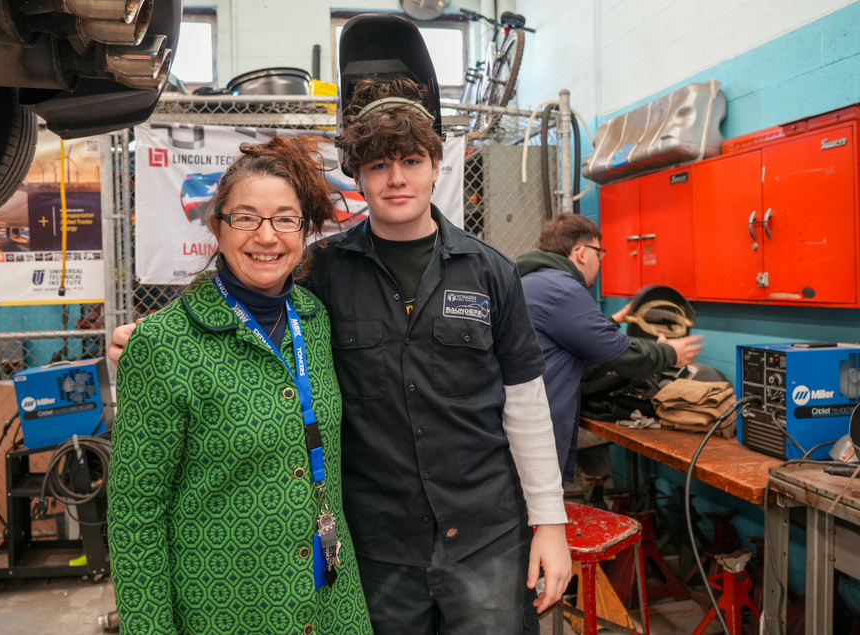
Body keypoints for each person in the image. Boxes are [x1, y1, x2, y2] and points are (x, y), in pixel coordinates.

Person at [111, 78, 571, 634]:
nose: (396, 178)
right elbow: (249, 294)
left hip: (486, 536)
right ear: (356, 176)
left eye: (411, 160)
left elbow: (525, 404)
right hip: (376, 547)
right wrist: (156, 337)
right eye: (377, 165)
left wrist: (550, 522)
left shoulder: (491, 270)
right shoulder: (322, 272)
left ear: (436, 166)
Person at [107, 135, 372, 634]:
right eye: (246, 218)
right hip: (224, 611)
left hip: (330, 602)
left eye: (284, 219)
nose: (266, 236)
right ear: (218, 227)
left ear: (304, 230)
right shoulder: (165, 344)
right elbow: (135, 517)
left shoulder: (313, 320)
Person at [515, 212, 704, 481]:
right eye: (599, 254)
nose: (599, 262)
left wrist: (614, 320)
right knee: (535, 511)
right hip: (534, 428)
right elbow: (620, 354)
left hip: (519, 419)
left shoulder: (534, 282)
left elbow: (574, 336)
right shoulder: (563, 290)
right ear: (581, 253)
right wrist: (671, 353)